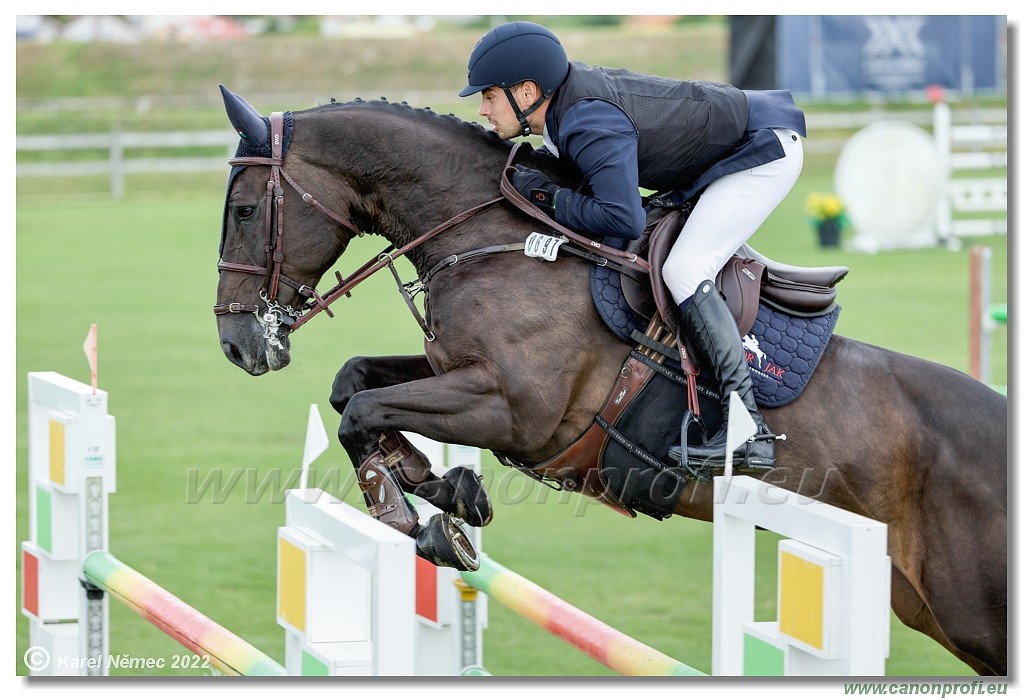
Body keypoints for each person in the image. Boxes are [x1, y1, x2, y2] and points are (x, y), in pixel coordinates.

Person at [459, 21, 806, 470]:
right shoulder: (564, 112)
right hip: (732, 145)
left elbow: (623, 219)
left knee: (684, 269)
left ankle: (748, 430)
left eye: (489, 96)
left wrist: (550, 197)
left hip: (762, 151)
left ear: (527, 92)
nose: (483, 109)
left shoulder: (587, 120)